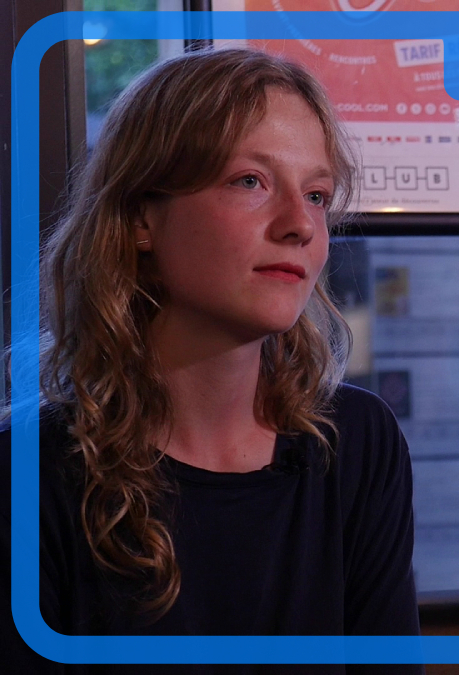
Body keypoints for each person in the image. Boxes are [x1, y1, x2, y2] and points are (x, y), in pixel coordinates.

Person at [1, 48, 420, 673]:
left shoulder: (356, 443)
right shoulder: (29, 472)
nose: (299, 225)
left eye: (317, 194)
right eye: (249, 181)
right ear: (143, 216)